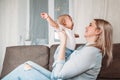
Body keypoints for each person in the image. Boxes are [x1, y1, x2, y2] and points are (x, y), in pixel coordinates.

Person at [2, 19, 113, 80]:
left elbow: (58, 75)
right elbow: (60, 63)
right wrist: (66, 42)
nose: (86, 27)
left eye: (90, 25)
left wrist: (64, 42)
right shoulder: (84, 48)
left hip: (59, 77)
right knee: (28, 64)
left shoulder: (91, 53)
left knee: (24, 71)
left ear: (98, 31)